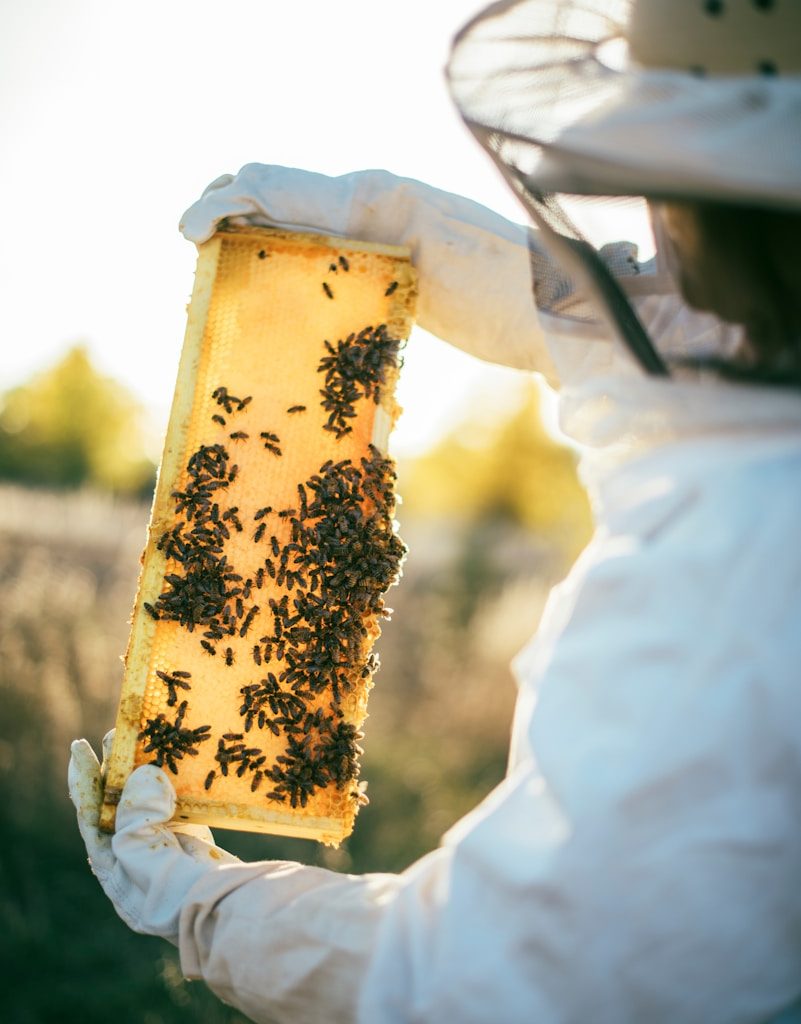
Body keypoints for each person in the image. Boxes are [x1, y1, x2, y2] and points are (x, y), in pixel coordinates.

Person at [69, 1, 801, 1021]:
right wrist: (430, 242)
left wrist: (204, 906)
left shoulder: (730, 562)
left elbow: (495, 978)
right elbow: (694, 345)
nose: (651, 228)